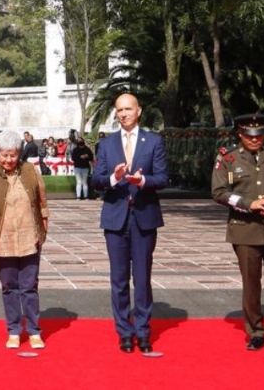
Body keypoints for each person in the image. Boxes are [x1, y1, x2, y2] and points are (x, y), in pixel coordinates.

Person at [211, 113, 264, 352]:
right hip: (245, 230)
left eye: (259, 135)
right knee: (251, 284)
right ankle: (256, 331)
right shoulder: (228, 158)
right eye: (250, 135)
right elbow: (219, 192)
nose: (255, 139)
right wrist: (249, 204)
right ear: (240, 134)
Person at [91, 93, 168, 354]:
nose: (123, 114)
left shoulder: (154, 141)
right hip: (115, 219)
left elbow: (163, 177)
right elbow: (96, 179)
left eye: (128, 109)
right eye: (119, 109)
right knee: (119, 280)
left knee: (143, 279)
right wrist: (114, 177)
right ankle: (124, 331)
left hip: (144, 217)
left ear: (139, 111)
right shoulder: (107, 144)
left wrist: (142, 182)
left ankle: (143, 331)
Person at [0, 130, 49, 350]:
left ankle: (34, 331)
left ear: (19, 154)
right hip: (2, 239)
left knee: (29, 287)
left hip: (29, 237)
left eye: (12, 155)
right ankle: (14, 330)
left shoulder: (30, 171)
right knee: (9, 286)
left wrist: (44, 226)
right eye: (4, 155)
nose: (8, 159)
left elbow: (42, 200)